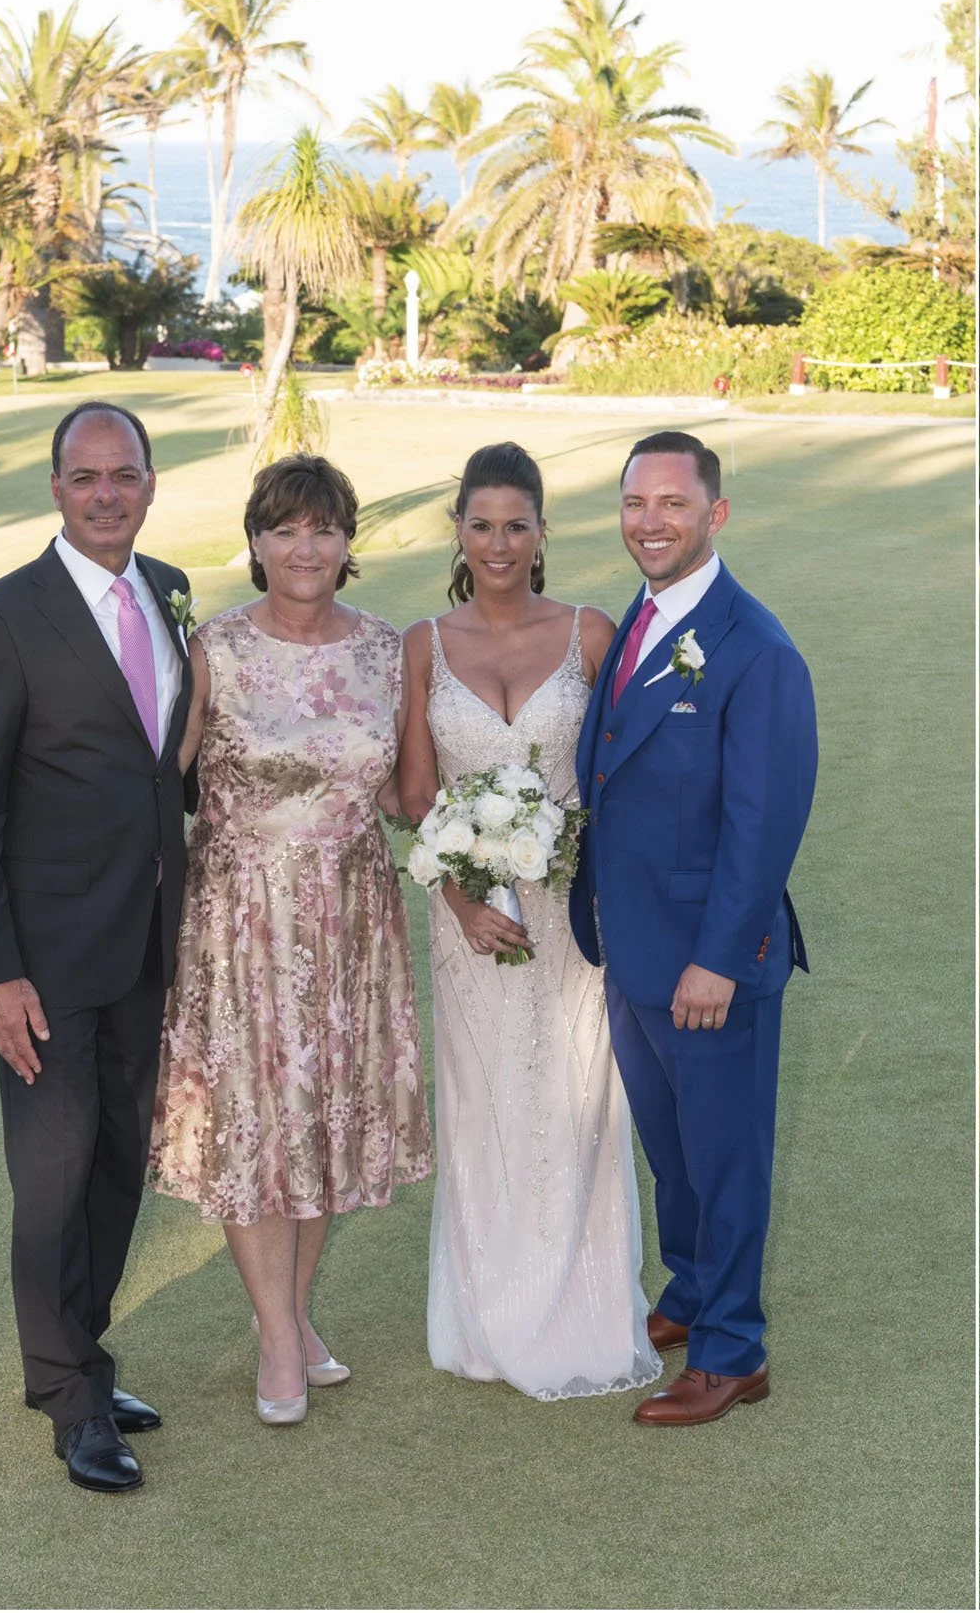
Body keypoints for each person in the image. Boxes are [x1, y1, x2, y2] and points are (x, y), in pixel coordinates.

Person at [149, 453, 432, 1425]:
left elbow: (397, 792)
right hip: (241, 925)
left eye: (323, 529)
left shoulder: (385, 650)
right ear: (255, 543)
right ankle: (277, 1337)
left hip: (351, 921)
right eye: (285, 529)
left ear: (349, 542)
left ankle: (295, 1314)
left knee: (324, 1125)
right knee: (255, 1128)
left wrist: (494, 832)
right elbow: (160, 786)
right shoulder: (215, 650)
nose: (305, 548)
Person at [0, 401, 193, 1493]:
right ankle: (69, 1399)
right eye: (85, 476)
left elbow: (164, 765)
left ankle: (78, 1354)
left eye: (123, 474)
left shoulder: (168, 589)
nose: (106, 494)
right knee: (52, 1176)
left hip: (147, 941)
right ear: (56, 488)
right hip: (43, 959)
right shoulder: (1, 617)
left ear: (149, 483)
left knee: (117, 1164)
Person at [399, 441, 662, 1401]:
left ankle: (583, 1311)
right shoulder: (424, 644)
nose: (499, 543)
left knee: (578, 1100)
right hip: (469, 924)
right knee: (483, 1107)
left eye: (517, 525)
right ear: (458, 532)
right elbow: (415, 795)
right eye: (482, 525)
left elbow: (631, 778)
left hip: (573, 918)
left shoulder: (592, 633)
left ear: (544, 532)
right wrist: (462, 900)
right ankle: (489, 1320)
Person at [568, 430, 818, 1427]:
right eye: (635, 503)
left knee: (723, 1159)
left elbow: (765, 824)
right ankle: (692, 1288)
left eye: (672, 503)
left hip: (708, 962)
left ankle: (731, 1350)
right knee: (672, 1150)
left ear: (715, 514)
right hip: (632, 946)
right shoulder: (641, 616)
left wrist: (717, 959)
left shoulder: (757, 648)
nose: (650, 521)